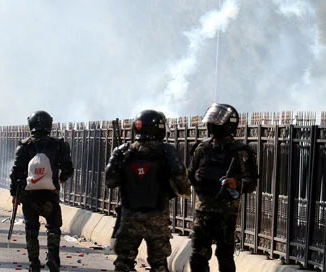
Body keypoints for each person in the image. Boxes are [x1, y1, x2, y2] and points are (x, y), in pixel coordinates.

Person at [104, 110, 191, 272]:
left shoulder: (123, 151)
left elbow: (110, 182)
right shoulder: (166, 151)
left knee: (123, 262)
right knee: (159, 263)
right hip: (157, 217)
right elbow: (181, 179)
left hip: (130, 216)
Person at [188, 103, 258, 272]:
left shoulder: (241, 151)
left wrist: (237, 183)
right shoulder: (202, 148)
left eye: (216, 124)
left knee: (225, 256)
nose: (212, 127)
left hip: (226, 213)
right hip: (203, 211)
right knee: (198, 256)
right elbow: (190, 174)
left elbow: (251, 182)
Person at [9, 111, 74, 272]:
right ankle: (52, 257)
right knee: (53, 227)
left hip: (29, 195)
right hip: (50, 194)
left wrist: (14, 194)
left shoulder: (24, 146)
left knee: (31, 230)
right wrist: (62, 178)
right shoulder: (58, 144)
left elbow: (16, 172)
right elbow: (68, 168)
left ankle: (34, 263)